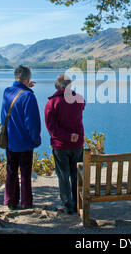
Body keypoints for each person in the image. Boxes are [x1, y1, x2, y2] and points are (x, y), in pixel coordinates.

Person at [1, 65, 41, 210]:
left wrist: (24, 86)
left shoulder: (7, 92)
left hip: (10, 140)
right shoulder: (28, 96)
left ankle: (10, 201)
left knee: (11, 171)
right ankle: (26, 202)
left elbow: (3, 115)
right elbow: (33, 122)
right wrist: (35, 139)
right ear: (28, 79)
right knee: (25, 172)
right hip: (24, 142)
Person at [45, 74, 85, 214]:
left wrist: (67, 136)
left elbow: (51, 128)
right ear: (70, 86)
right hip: (77, 146)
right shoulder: (79, 99)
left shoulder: (52, 103)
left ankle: (67, 205)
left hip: (60, 145)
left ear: (57, 86)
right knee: (76, 175)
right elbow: (82, 105)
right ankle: (78, 203)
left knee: (63, 175)